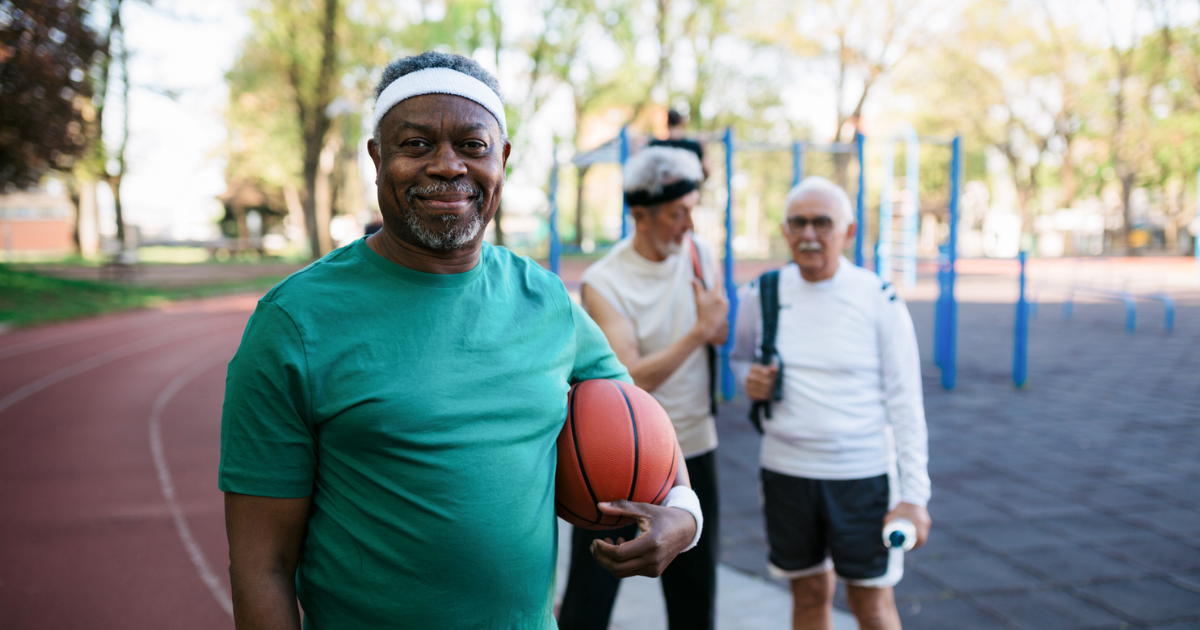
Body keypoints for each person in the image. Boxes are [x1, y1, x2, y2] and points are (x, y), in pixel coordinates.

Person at [219, 51, 703, 630]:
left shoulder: (545, 301)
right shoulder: (294, 322)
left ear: (502, 159)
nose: (447, 166)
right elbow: (261, 568)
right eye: (416, 144)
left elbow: (642, 429)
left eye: (472, 146)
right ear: (377, 158)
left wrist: (684, 513)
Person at [731, 176, 931, 630]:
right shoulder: (759, 295)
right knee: (807, 593)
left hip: (861, 478)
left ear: (849, 231)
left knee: (871, 601)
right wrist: (751, 379)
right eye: (797, 223)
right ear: (784, 231)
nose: (808, 235)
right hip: (785, 472)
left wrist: (915, 497)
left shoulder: (879, 299)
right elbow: (740, 359)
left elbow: (906, 403)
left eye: (822, 223)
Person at [558, 147, 728, 630]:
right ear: (640, 214)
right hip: (617, 459)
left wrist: (715, 331)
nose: (689, 225)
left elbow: (718, 330)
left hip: (693, 447)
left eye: (693, 210)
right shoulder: (605, 281)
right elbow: (629, 378)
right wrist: (700, 331)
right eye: (678, 214)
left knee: (695, 601)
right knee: (588, 606)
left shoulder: (700, 256)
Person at [648, 109, 711, 180]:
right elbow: (707, 173)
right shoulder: (694, 146)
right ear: (681, 122)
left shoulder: (655, 146)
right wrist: (704, 147)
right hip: (689, 189)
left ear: (667, 124)